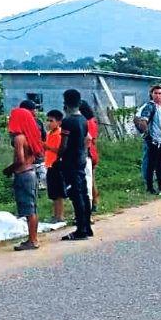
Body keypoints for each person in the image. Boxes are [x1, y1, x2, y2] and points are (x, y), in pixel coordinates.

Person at [5, 107, 41, 251]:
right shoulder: (31, 136)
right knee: (32, 207)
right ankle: (33, 238)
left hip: (23, 174)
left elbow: (20, 160)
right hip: (31, 172)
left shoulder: (20, 138)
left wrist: (9, 169)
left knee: (29, 208)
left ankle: (32, 240)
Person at [59, 89, 93, 241]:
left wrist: (58, 157)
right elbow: (87, 140)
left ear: (65, 103)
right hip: (81, 159)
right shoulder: (84, 120)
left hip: (70, 161)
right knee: (84, 193)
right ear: (79, 103)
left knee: (76, 195)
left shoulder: (67, 121)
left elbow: (64, 145)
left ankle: (81, 230)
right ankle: (87, 227)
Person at [136, 85, 161, 194]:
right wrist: (147, 134)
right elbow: (143, 121)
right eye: (155, 93)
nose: (158, 95)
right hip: (153, 139)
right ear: (151, 94)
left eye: (160, 93)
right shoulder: (150, 106)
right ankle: (150, 186)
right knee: (151, 164)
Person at [43, 110, 67, 223]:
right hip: (49, 164)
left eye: (51, 121)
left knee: (59, 193)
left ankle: (60, 215)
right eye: (48, 120)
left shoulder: (60, 134)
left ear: (58, 122)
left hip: (57, 165)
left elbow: (60, 150)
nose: (49, 123)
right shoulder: (49, 134)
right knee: (53, 193)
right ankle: (55, 215)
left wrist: (47, 147)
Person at [80, 102, 100, 213]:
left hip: (87, 152)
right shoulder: (92, 121)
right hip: (93, 151)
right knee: (91, 179)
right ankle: (95, 202)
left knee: (88, 180)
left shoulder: (84, 122)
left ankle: (91, 203)